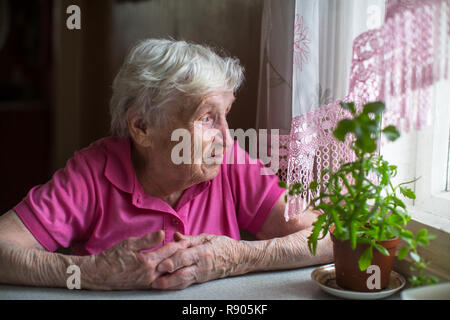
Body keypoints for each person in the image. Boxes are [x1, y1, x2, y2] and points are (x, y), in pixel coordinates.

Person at [0, 39, 332, 291]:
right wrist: (91, 272)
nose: (227, 138)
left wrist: (238, 257)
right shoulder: (92, 173)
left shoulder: (229, 163)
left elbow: (329, 238)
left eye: (225, 116)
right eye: (206, 118)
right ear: (142, 127)